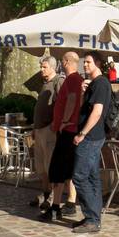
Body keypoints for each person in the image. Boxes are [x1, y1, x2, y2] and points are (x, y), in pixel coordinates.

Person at [70, 54, 112, 234]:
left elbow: (97, 112)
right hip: (93, 136)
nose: (84, 65)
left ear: (98, 64)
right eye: (84, 62)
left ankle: (92, 218)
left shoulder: (101, 83)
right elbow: (85, 109)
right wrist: (83, 92)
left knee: (79, 177)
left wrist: (82, 133)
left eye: (88, 62)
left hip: (91, 137)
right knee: (92, 177)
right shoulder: (94, 84)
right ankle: (93, 218)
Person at [42, 52, 83, 222]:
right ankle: (57, 206)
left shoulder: (73, 79)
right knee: (64, 171)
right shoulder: (75, 79)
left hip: (67, 131)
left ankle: (55, 208)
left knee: (58, 169)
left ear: (66, 62)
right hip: (68, 131)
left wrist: (65, 121)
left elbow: (73, 99)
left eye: (62, 61)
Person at [28, 54, 62, 211]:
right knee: (41, 167)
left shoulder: (58, 81)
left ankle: (54, 197)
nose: (41, 69)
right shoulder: (44, 83)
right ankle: (46, 192)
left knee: (50, 166)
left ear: (53, 67)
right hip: (40, 129)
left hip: (50, 130)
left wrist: (55, 125)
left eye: (44, 67)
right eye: (41, 67)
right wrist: (35, 127)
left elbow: (63, 104)